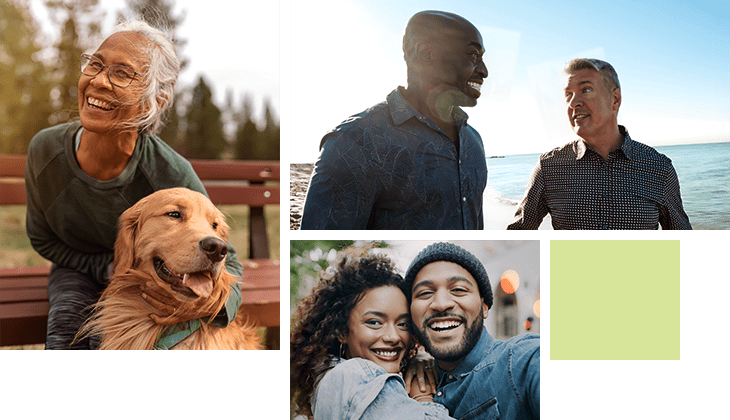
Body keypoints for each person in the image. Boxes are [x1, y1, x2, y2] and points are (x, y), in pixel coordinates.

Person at [24, 20, 242, 349]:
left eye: (122, 73)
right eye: (95, 65)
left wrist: (211, 304)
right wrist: (109, 267)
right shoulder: (46, 150)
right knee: (68, 334)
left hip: (150, 278)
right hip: (76, 270)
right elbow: (43, 239)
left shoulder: (170, 172)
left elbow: (229, 258)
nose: (98, 81)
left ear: (155, 101)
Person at [300, 10, 489, 230]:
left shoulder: (473, 141)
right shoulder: (354, 143)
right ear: (425, 53)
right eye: (473, 56)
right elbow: (327, 251)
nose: (484, 71)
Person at [507, 58, 692, 230]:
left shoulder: (658, 168)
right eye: (568, 95)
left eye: (585, 90)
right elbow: (516, 238)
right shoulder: (549, 167)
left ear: (615, 100)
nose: (573, 103)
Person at [290, 251, 455, 419]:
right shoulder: (355, 375)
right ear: (341, 331)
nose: (393, 337)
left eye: (403, 324)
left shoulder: (328, 380)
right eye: (374, 322)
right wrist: (423, 396)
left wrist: (416, 360)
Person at [404, 242, 540, 419]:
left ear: (484, 307)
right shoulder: (403, 378)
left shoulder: (521, 361)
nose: (441, 304)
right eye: (424, 293)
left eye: (459, 290)